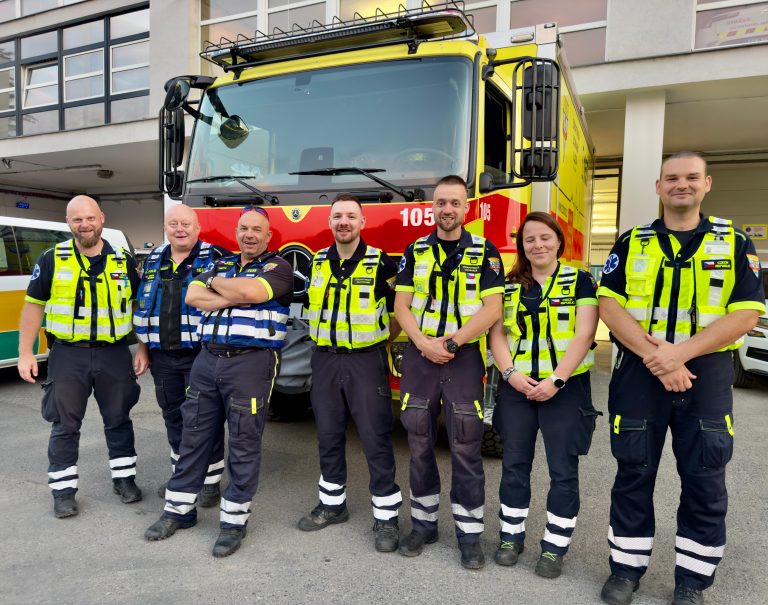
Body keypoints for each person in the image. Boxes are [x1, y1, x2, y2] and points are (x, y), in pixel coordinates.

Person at [597, 152, 765, 605]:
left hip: (705, 372)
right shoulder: (632, 241)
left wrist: (679, 356)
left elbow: (747, 313)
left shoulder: (734, 242)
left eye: (691, 177)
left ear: (707, 183)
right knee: (633, 472)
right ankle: (625, 572)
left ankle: (692, 582)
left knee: (705, 477)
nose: (681, 185)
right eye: (672, 178)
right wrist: (658, 356)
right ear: (658, 187)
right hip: (640, 369)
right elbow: (609, 306)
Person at [144, 205, 293, 558]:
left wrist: (221, 291)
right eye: (244, 228)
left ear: (268, 235)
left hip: (251, 363)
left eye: (257, 229)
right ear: (237, 231)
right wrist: (232, 291)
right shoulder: (222, 264)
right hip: (207, 359)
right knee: (193, 434)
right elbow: (192, 296)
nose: (250, 235)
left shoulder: (279, 267)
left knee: (244, 441)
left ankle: (232, 524)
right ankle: (178, 512)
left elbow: (254, 294)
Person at [394, 175, 504, 569]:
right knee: (419, 441)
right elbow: (401, 306)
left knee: (465, 444)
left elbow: (493, 310)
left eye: (455, 203)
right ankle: (423, 525)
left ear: (466, 208)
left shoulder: (486, 251)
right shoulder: (415, 250)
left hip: (464, 358)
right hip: (422, 358)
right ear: (433, 207)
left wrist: (453, 343)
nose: (447, 209)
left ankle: (469, 535)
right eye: (441, 202)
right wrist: (424, 344)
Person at [17, 195, 145, 518]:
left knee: (119, 419)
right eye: (77, 220)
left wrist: (143, 346)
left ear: (101, 217)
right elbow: (33, 307)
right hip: (67, 355)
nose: (84, 225)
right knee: (64, 424)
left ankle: (124, 480)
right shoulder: (51, 259)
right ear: (68, 222)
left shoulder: (124, 262)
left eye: (90, 218)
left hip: (114, 354)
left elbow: (138, 309)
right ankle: (63, 492)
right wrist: (25, 353)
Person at [488, 211, 599, 579]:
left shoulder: (580, 280)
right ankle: (510, 537)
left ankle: (554, 547)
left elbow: (585, 334)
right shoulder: (509, 285)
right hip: (517, 387)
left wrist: (557, 380)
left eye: (545, 238)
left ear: (558, 242)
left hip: (565, 390)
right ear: (522, 245)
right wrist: (511, 375)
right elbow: (497, 335)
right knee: (514, 465)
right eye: (530, 239)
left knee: (563, 470)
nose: (538, 245)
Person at [297, 194, 403, 552]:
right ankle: (332, 505)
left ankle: (386, 516)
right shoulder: (317, 263)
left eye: (351, 216)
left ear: (362, 223)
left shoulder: (382, 265)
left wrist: (373, 342)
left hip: (364, 362)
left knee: (375, 437)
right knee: (327, 436)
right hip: (324, 360)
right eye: (338, 216)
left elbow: (398, 315)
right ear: (330, 222)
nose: (344, 222)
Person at [133, 204, 229, 507]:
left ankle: (210, 482)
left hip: (202, 355)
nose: (180, 229)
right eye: (173, 223)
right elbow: (145, 306)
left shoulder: (218, 258)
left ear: (197, 227)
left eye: (185, 223)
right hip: (162, 356)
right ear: (165, 227)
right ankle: (181, 475)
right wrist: (143, 349)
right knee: (173, 416)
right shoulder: (153, 259)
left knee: (206, 420)